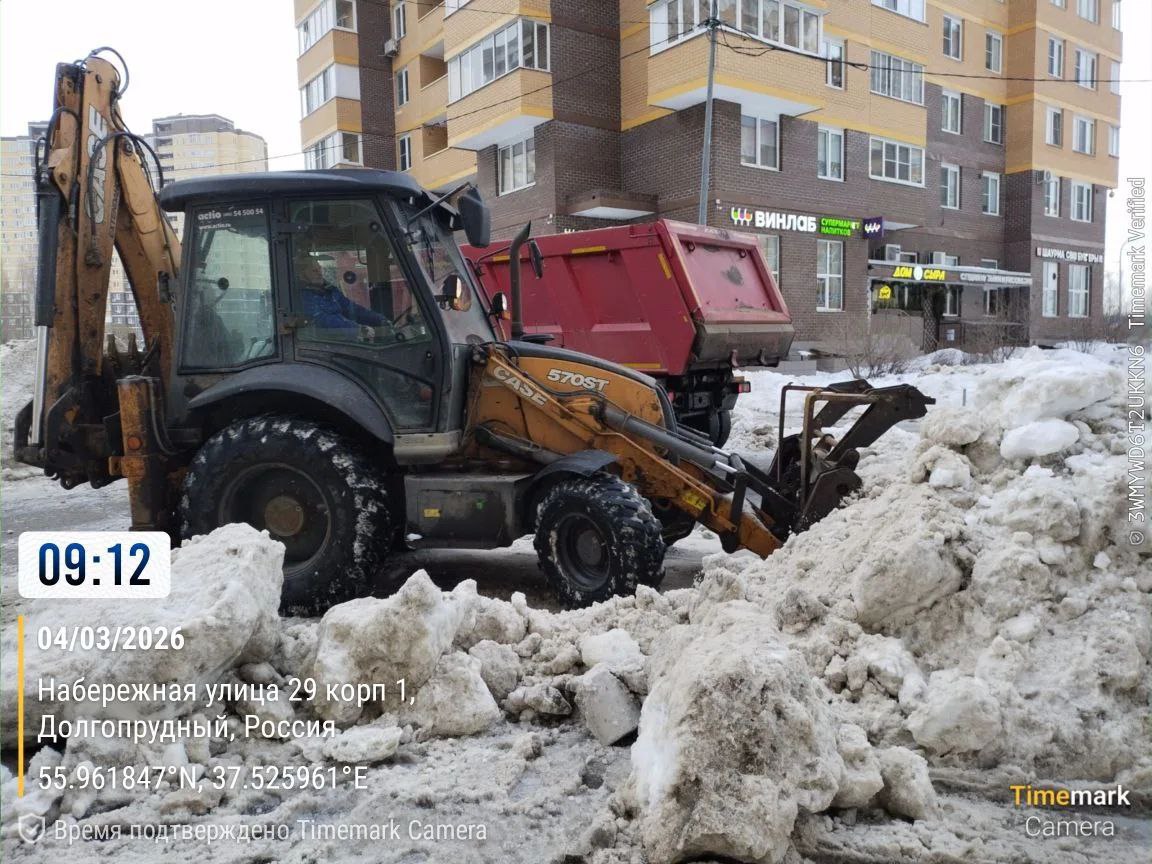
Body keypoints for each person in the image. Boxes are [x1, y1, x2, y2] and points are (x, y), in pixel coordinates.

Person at [296, 253, 389, 339]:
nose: (319, 273)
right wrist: (357, 329)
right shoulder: (302, 296)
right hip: (324, 344)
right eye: (314, 271)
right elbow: (321, 320)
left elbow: (350, 308)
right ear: (301, 274)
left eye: (319, 269)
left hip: (343, 340)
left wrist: (379, 320)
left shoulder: (330, 290)